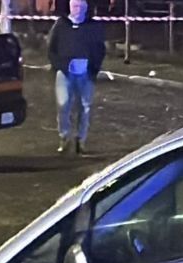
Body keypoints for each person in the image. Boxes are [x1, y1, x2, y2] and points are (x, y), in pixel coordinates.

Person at [47, 0, 105, 155]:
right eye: (75, 6)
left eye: (80, 7)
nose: (77, 10)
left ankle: (81, 140)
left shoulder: (93, 27)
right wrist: (63, 65)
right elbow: (51, 49)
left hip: (86, 73)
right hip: (65, 73)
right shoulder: (61, 25)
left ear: (85, 9)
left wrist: (93, 69)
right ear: (70, 7)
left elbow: (100, 50)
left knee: (85, 107)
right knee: (63, 105)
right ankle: (64, 136)